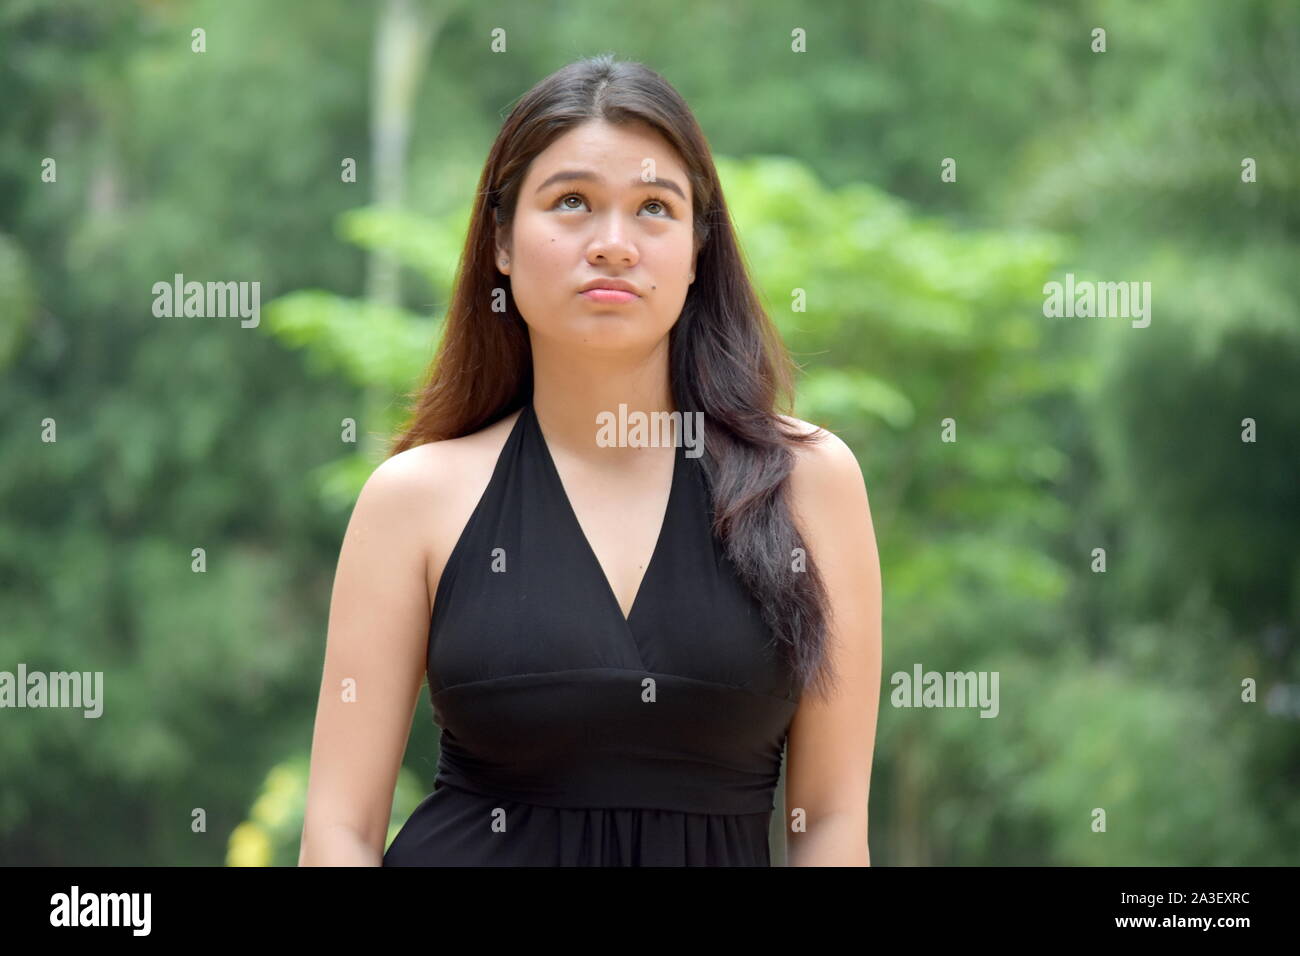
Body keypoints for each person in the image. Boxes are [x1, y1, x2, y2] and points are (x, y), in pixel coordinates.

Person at [299, 53, 881, 866]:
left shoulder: (810, 484)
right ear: (500, 241)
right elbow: (340, 831)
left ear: (697, 249)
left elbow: (826, 825)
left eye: (654, 208)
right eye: (571, 202)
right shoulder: (416, 499)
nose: (613, 244)